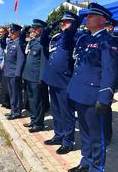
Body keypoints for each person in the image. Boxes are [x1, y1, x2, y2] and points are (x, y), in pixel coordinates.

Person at [67, 3, 118, 172]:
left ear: (101, 20)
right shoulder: (85, 39)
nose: (86, 19)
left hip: (93, 96)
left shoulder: (108, 41)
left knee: (96, 136)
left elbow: (110, 71)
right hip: (79, 93)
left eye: (90, 16)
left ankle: (96, 168)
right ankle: (86, 163)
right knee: (84, 133)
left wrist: (104, 98)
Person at [41, 11, 79, 155]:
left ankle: (68, 141)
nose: (62, 24)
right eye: (62, 22)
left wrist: (71, 28)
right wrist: (49, 27)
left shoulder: (75, 37)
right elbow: (43, 40)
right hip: (53, 80)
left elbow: (69, 40)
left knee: (66, 113)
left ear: (73, 24)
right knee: (56, 110)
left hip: (65, 81)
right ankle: (58, 135)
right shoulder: (57, 37)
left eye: (66, 22)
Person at [21, 19, 50, 133]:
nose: (33, 30)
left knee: (38, 102)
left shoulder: (43, 43)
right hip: (29, 75)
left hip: (37, 77)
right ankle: (33, 119)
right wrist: (24, 31)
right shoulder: (32, 42)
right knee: (32, 100)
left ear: (42, 29)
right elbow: (22, 43)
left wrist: (41, 78)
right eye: (33, 28)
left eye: (36, 28)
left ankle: (39, 124)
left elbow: (44, 61)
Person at [3, 24, 25, 120]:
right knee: (12, 93)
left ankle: (16, 112)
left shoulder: (19, 43)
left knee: (16, 94)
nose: (9, 34)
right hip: (9, 72)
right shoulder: (11, 43)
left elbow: (20, 60)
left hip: (14, 73)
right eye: (9, 32)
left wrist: (18, 74)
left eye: (11, 32)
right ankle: (13, 110)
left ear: (16, 33)